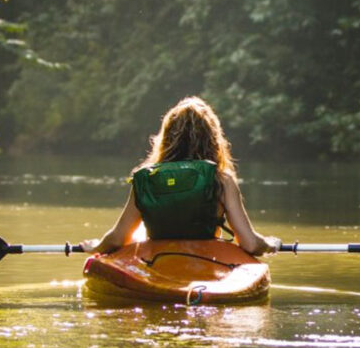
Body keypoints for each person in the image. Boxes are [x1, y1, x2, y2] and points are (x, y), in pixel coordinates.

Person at [81, 96, 280, 256]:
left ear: (166, 138)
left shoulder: (147, 179)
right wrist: (270, 244)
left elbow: (118, 238)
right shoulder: (221, 180)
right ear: (213, 139)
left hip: (157, 263)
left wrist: (96, 247)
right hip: (206, 262)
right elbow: (250, 244)